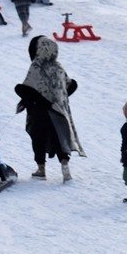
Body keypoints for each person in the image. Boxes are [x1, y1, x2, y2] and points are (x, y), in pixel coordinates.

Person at [15, 35, 85, 181]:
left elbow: (30, 90)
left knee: (38, 138)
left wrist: (25, 101)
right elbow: (71, 85)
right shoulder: (59, 67)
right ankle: (65, 167)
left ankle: (41, 169)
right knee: (59, 136)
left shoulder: (36, 66)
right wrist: (60, 99)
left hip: (38, 112)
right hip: (58, 111)